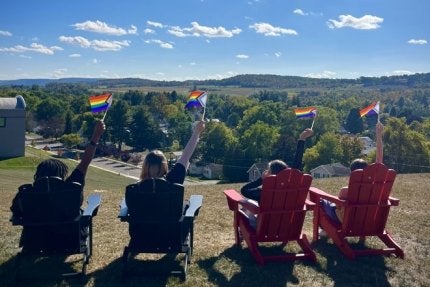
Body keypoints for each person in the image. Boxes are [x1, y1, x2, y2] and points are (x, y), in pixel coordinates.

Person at [11, 120, 106, 215]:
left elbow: (16, 212)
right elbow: (84, 163)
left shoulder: (25, 195)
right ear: (61, 176)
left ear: (38, 175)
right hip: (67, 230)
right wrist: (95, 136)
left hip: (34, 230)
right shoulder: (70, 190)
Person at [321, 121, 384, 224]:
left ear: (352, 173)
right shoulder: (373, 190)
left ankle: (324, 231)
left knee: (322, 202)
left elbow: (338, 206)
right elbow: (379, 161)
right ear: (367, 172)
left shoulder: (345, 191)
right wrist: (379, 135)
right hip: (366, 220)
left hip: (347, 221)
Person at [240, 128, 314, 203]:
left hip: (268, 214)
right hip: (290, 214)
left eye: (269, 170)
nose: (266, 171)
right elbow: (297, 162)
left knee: (247, 205)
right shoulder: (291, 188)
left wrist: (261, 180)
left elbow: (244, 190)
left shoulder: (264, 192)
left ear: (272, 175)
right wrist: (302, 138)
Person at [139, 120, 205, 185]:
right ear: (164, 166)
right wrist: (197, 132)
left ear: (145, 166)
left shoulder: (135, 189)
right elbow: (186, 155)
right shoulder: (173, 179)